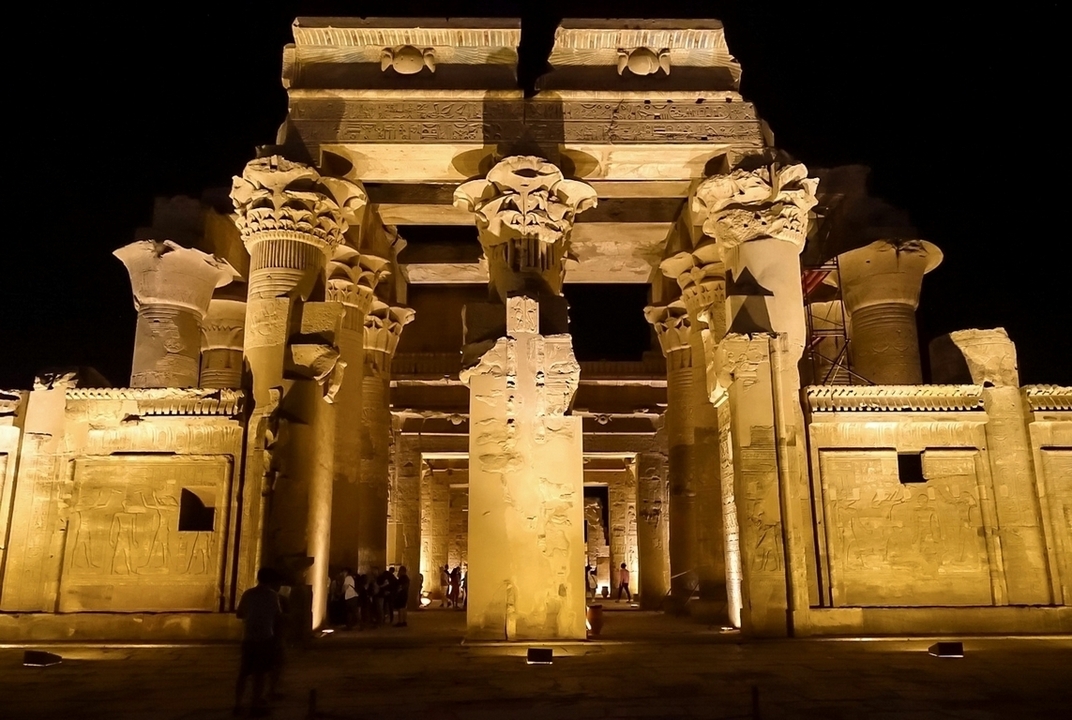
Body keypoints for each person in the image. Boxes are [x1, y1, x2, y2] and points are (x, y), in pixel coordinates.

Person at [234, 567, 283, 717]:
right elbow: (277, 615)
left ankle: (237, 703)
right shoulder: (272, 596)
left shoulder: (248, 594)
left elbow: (239, 614)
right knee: (259, 674)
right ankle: (255, 704)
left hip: (248, 637)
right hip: (265, 637)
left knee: (244, 672)